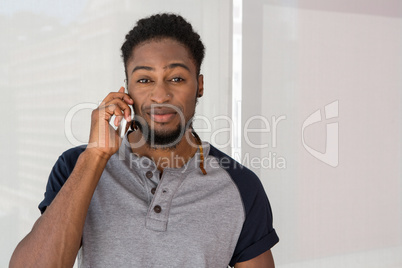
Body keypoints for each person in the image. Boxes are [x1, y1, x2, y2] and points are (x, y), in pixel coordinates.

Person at [10, 13, 279, 267]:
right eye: (145, 79)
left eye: (176, 78)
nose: (160, 95)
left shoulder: (242, 186)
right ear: (126, 89)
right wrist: (95, 157)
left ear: (199, 85)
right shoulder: (77, 166)